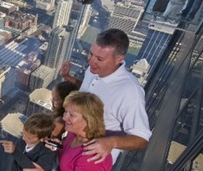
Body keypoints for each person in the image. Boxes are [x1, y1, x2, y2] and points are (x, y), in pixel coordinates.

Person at [60, 28, 151, 163]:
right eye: (91, 54)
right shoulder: (93, 70)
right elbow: (88, 91)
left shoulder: (130, 92)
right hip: (73, 142)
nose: (91, 61)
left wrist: (110, 143)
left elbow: (142, 138)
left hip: (93, 160)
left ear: (118, 59)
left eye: (99, 58)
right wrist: (68, 77)